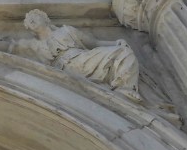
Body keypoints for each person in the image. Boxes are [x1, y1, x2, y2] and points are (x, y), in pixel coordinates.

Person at [11, 9, 141, 101]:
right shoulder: (33, 45)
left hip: (83, 59)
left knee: (124, 52)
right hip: (63, 71)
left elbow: (93, 42)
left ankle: (124, 89)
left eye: (34, 16)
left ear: (45, 18)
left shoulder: (67, 30)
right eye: (28, 21)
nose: (31, 20)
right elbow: (8, 46)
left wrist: (116, 42)